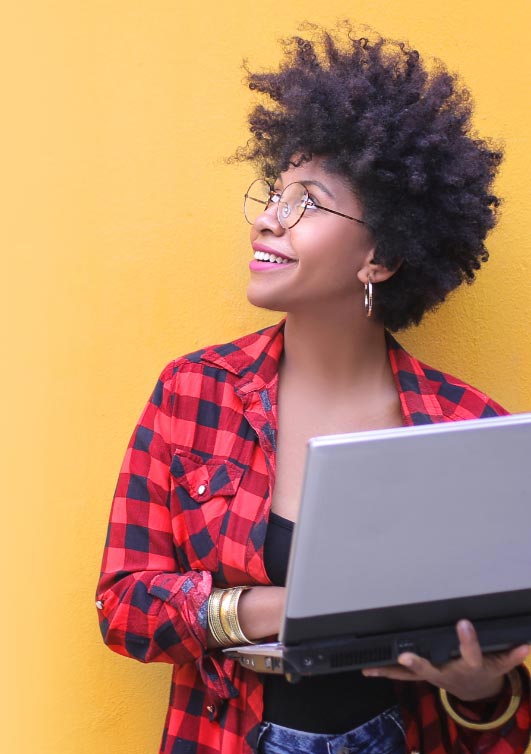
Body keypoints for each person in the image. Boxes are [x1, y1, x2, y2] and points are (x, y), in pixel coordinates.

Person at [96, 24, 531, 754]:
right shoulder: (193, 392)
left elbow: (500, 720)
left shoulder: (469, 429)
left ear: (381, 256)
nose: (268, 216)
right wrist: (285, 609)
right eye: (274, 192)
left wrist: (477, 685)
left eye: (306, 202)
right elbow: (123, 607)